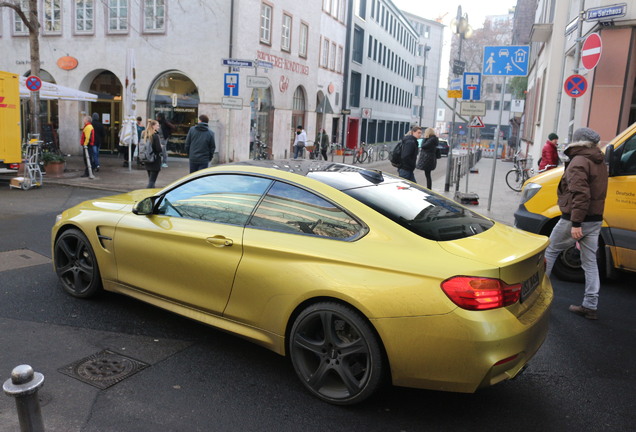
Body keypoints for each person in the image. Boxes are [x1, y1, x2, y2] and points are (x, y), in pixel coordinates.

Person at [544, 127, 608, 320]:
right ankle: (590, 305)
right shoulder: (598, 160)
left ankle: (538, 298)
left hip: (576, 218)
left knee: (550, 250)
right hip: (595, 218)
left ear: (577, 141)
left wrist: (576, 223)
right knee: (590, 262)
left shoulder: (579, 161)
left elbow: (581, 194)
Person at [143, 119, 162, 188]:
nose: (158, 127)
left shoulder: (146, 135)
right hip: (155, 160)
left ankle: (150, 192)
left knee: (150, 179)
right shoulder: (155, 136)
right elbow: (158, 149)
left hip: (147, 159)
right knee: (152, 181)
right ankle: (148, 194)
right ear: (153, 126)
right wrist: (161, 147)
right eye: (157, 125)